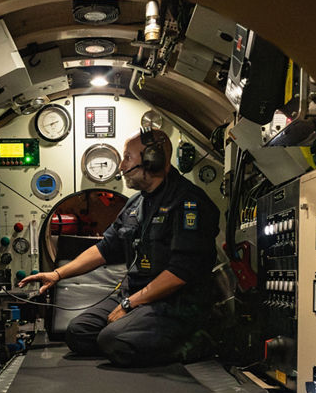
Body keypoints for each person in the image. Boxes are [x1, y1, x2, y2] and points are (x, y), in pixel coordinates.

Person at [20, 127, 220, 366]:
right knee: (78, 333)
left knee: (113, 340)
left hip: (175, 304)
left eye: (127, 158)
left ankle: (195, 342)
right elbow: (104, 249)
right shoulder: (136, 203)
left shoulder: (188, 202)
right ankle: (133, 339)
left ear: (152, 161)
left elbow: (181, 273)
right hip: (135, 296)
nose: (122, 166)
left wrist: (129, 304)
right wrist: (57, 274)